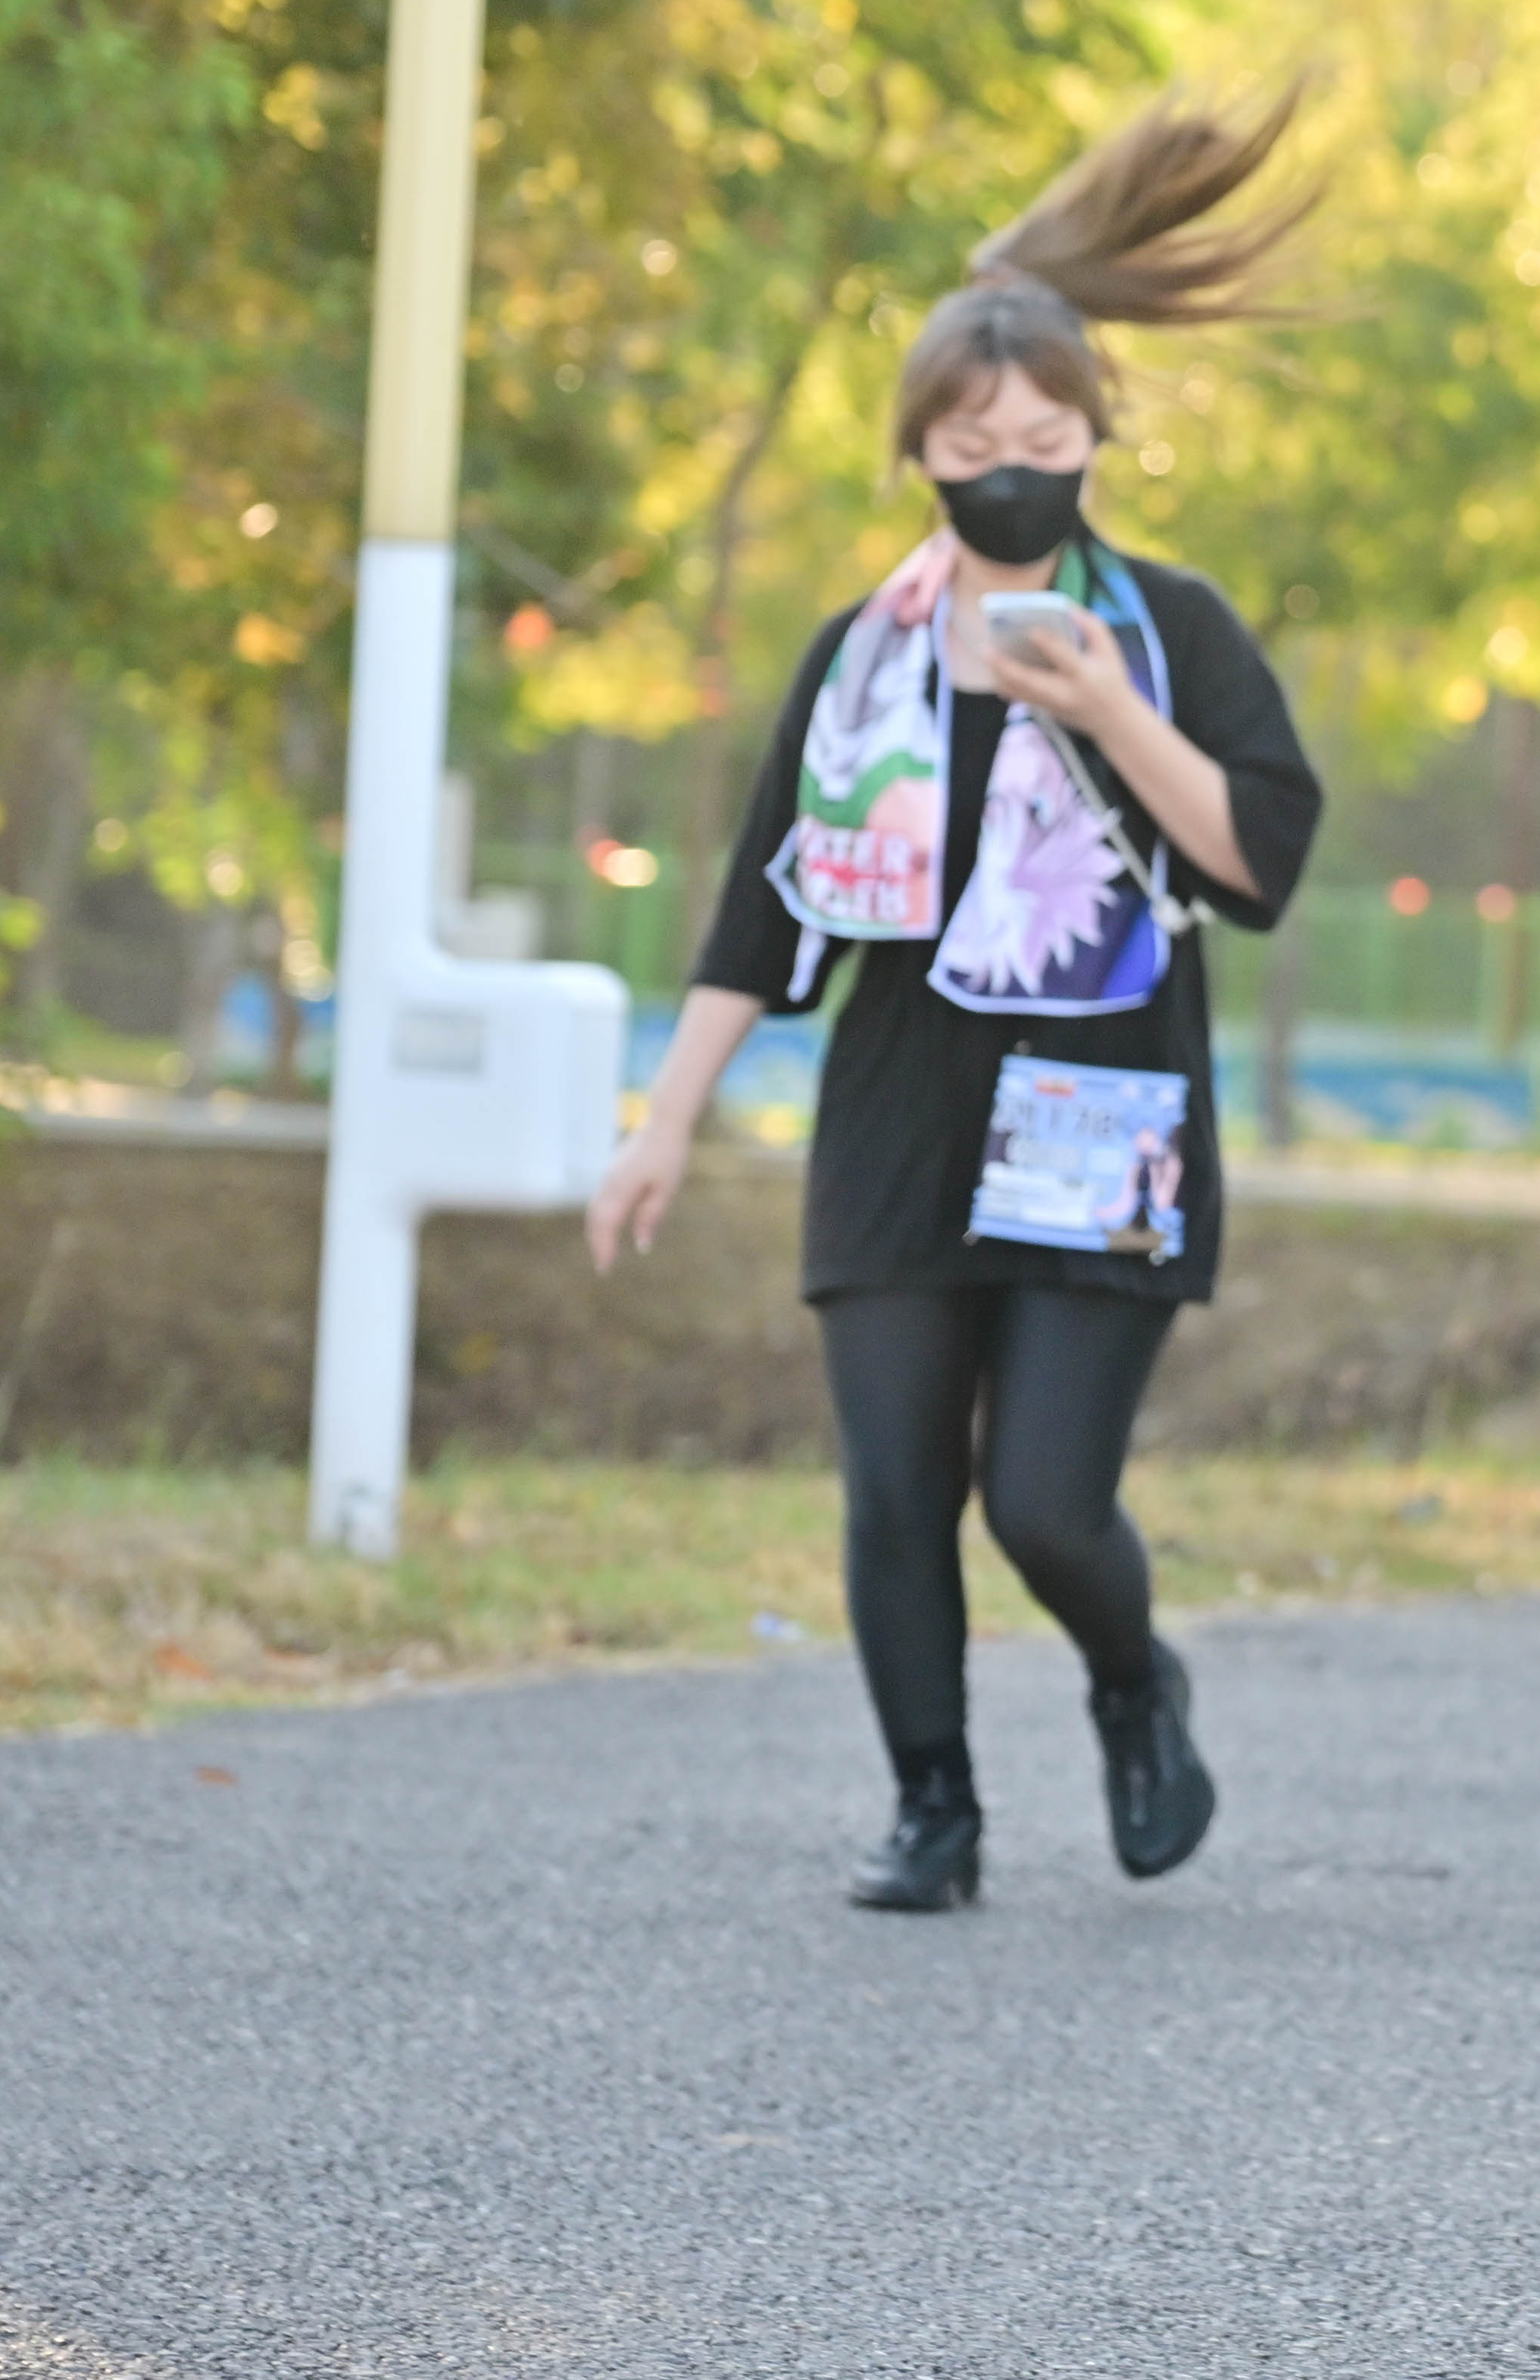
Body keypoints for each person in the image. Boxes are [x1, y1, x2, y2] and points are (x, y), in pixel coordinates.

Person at [590, 92, 1323, 1912]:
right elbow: (763, 919)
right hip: (904, 1117)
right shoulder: (865, 662)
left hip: (1103, 1111)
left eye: (1046, 438)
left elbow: (1258, 862)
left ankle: (1134, 1683)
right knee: (897, 1492)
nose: (1011, 467)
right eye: (974, 440)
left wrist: (1110, 711)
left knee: (1045, 1504)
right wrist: (663, 1124)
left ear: (1096, 439)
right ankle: (935, 1809)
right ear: (920, 451)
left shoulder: (1173, 635)